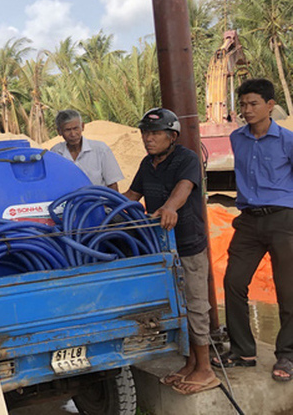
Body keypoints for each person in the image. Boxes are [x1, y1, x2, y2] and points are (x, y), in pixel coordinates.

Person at [124, 108, 219, 395]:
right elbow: (132, 195)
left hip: (188, 244)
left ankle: (206, 369)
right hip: (161, 248)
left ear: (172, 136)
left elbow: (184, 187)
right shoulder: (146, 164)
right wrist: (103, 205)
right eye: (145, 134)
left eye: (154, 134)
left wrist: (169, 207)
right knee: (177, 306)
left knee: (195, 305)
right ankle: (191, 362)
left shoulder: (187, 159)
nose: (147, 139)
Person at [212, 78, 293, 383]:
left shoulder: (288, 140)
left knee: (288, 290)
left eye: (253, 103)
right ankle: (243, 351)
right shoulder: (237, 139)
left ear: (270, 106)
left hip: (283, 219)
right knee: (233, 282)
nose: (246, 110)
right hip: (247, 220)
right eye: (243, 104)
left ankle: (287, 354)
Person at [50, 110, 124, 190]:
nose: (73, 134)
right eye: (67, 130)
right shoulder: (56, 153)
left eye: (76, 128)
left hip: (98, 201)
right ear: (59, 132)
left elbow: (112, 184)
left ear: (82, 126)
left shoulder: (100, 150)